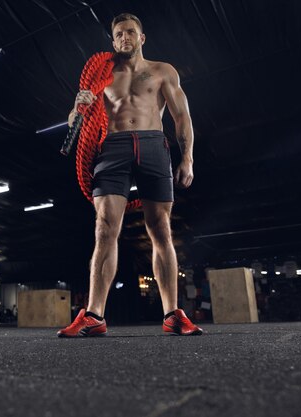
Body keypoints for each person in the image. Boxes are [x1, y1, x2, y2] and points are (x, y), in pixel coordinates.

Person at [58, 13, 202, 337]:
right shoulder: (101, 76)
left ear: (142, 37)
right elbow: (74, 121)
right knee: (105, 227)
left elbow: (182, 118)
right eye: (119, 33)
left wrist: (188, 158)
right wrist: (76, 107)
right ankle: (94, 315)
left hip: (153, 145)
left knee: (160, 228)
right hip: (112, 146)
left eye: (130, 32)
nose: (125, 37)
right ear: (113, 41)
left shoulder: (163, 71)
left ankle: (172, 314)